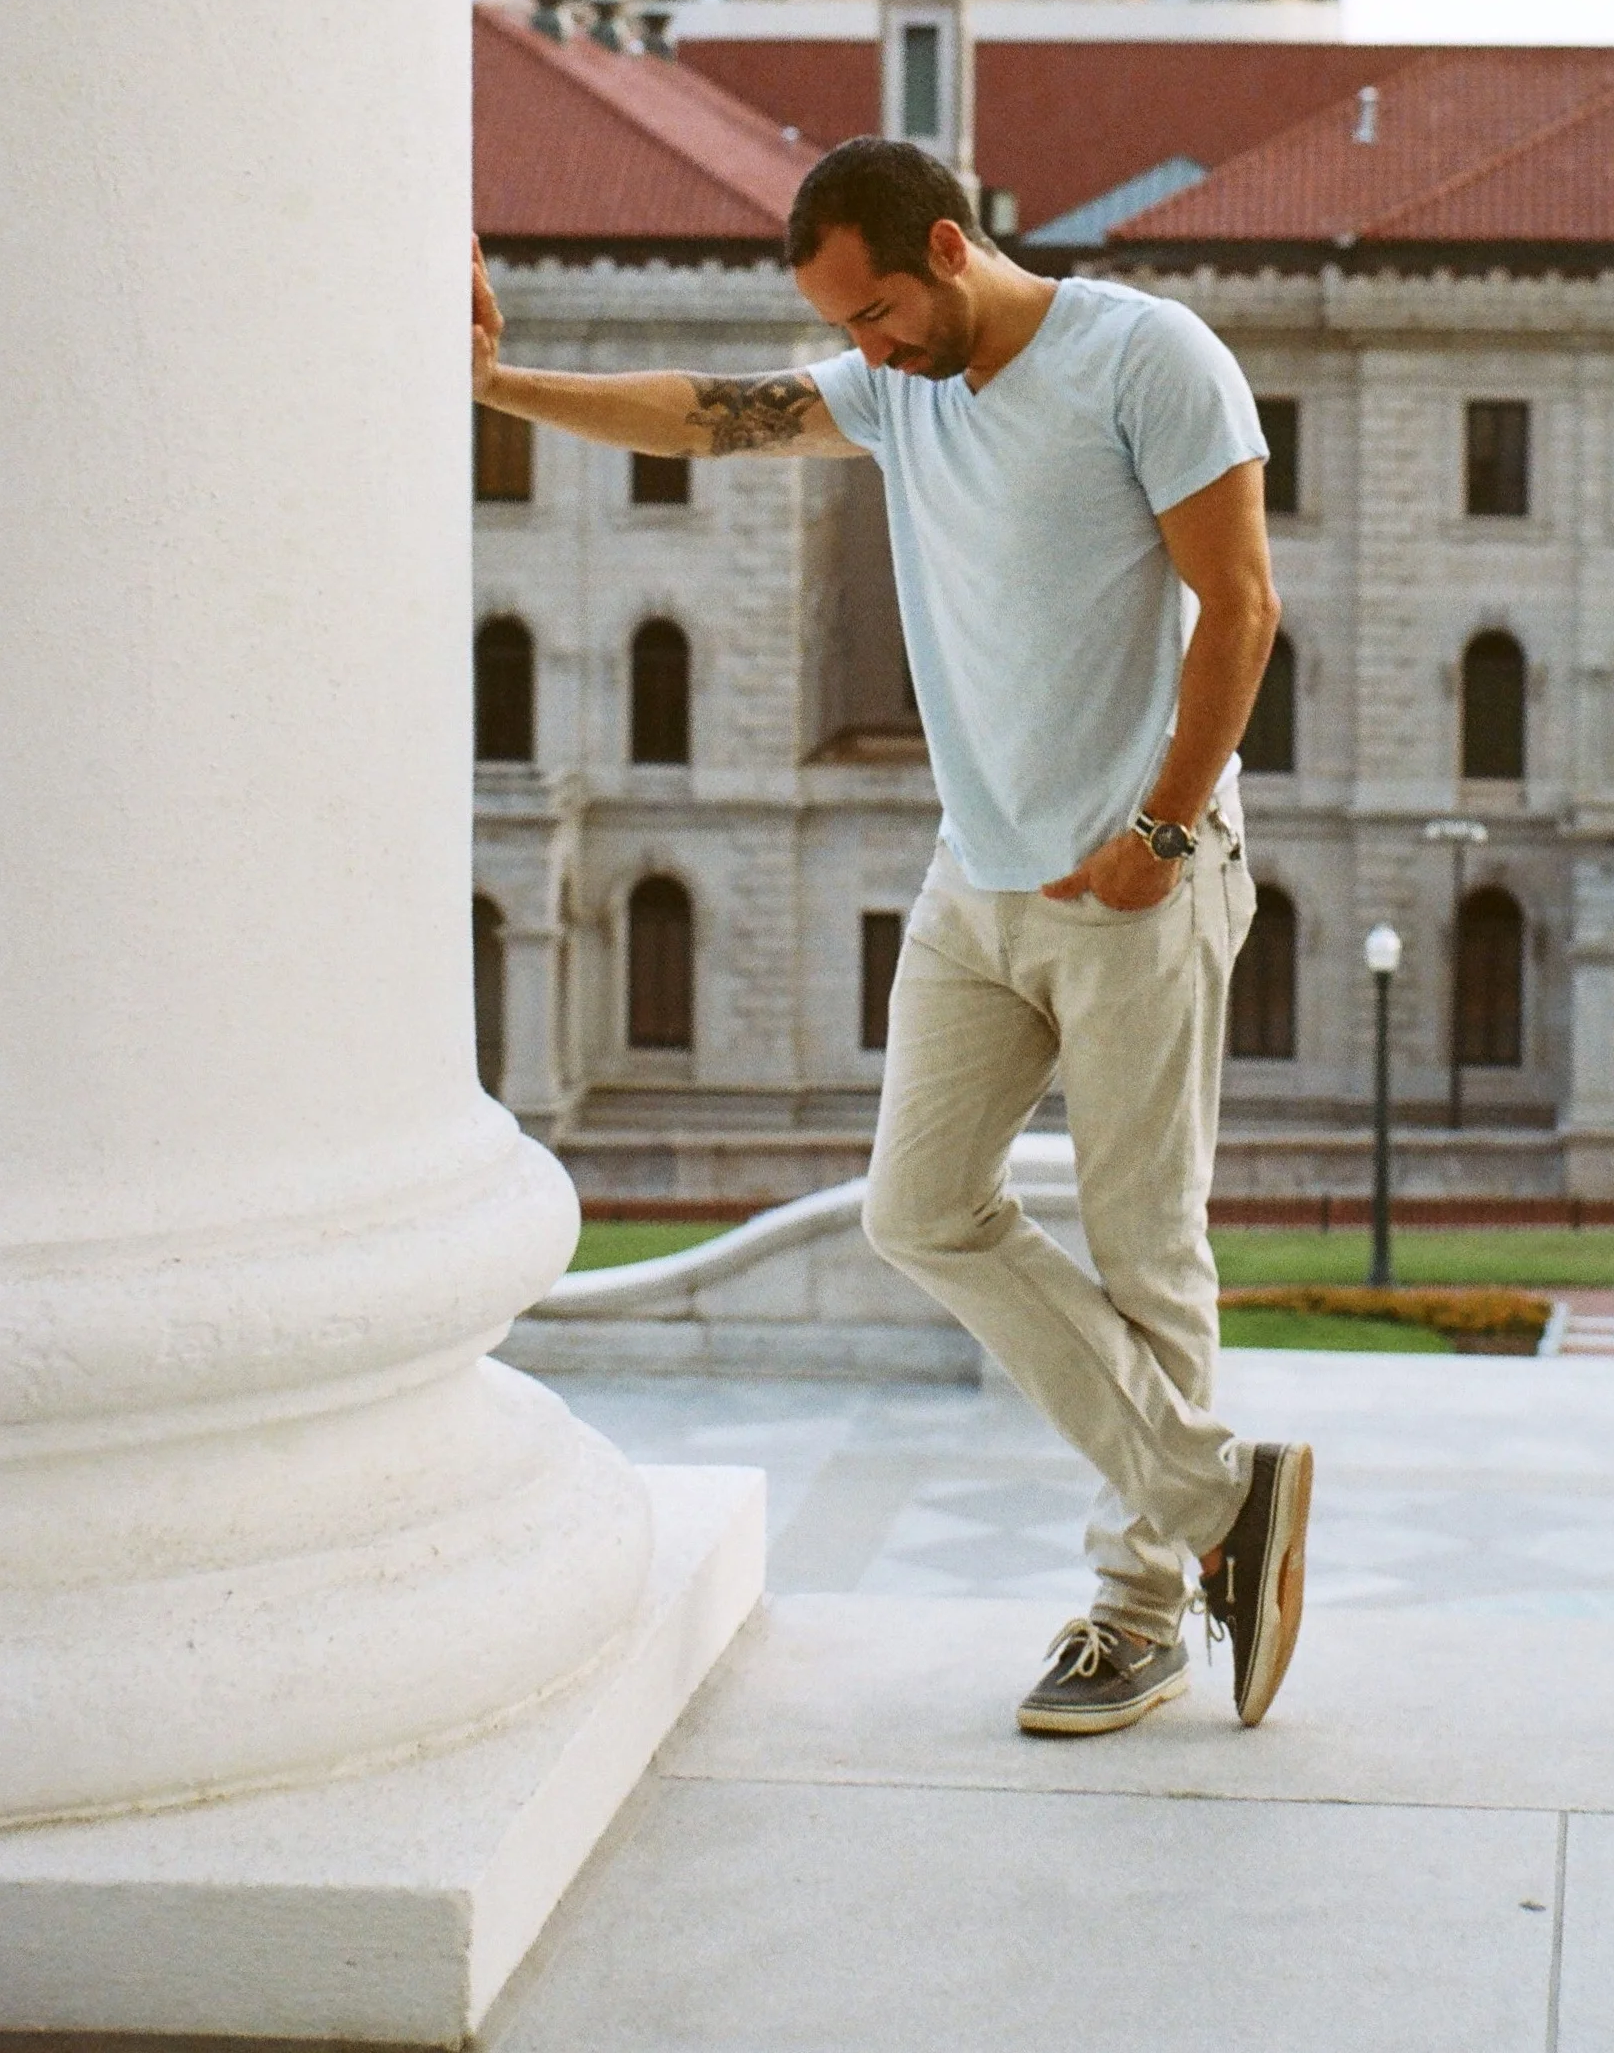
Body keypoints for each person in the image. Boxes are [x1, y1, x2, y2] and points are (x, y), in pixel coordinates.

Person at [471, 137, 1313, 1735]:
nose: (860, 352)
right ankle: (1224, 1500)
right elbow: (705, 416)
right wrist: (500, 391)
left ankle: (1140, 1607)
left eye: (873, 314)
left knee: (1148, 1254)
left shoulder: (1148, 358)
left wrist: (1154, 835)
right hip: (974, 883)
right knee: (916, 1212)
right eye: (842, 330)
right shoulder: (894, 388)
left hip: (1140, 881)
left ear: (944, 245)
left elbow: (1241, 606)